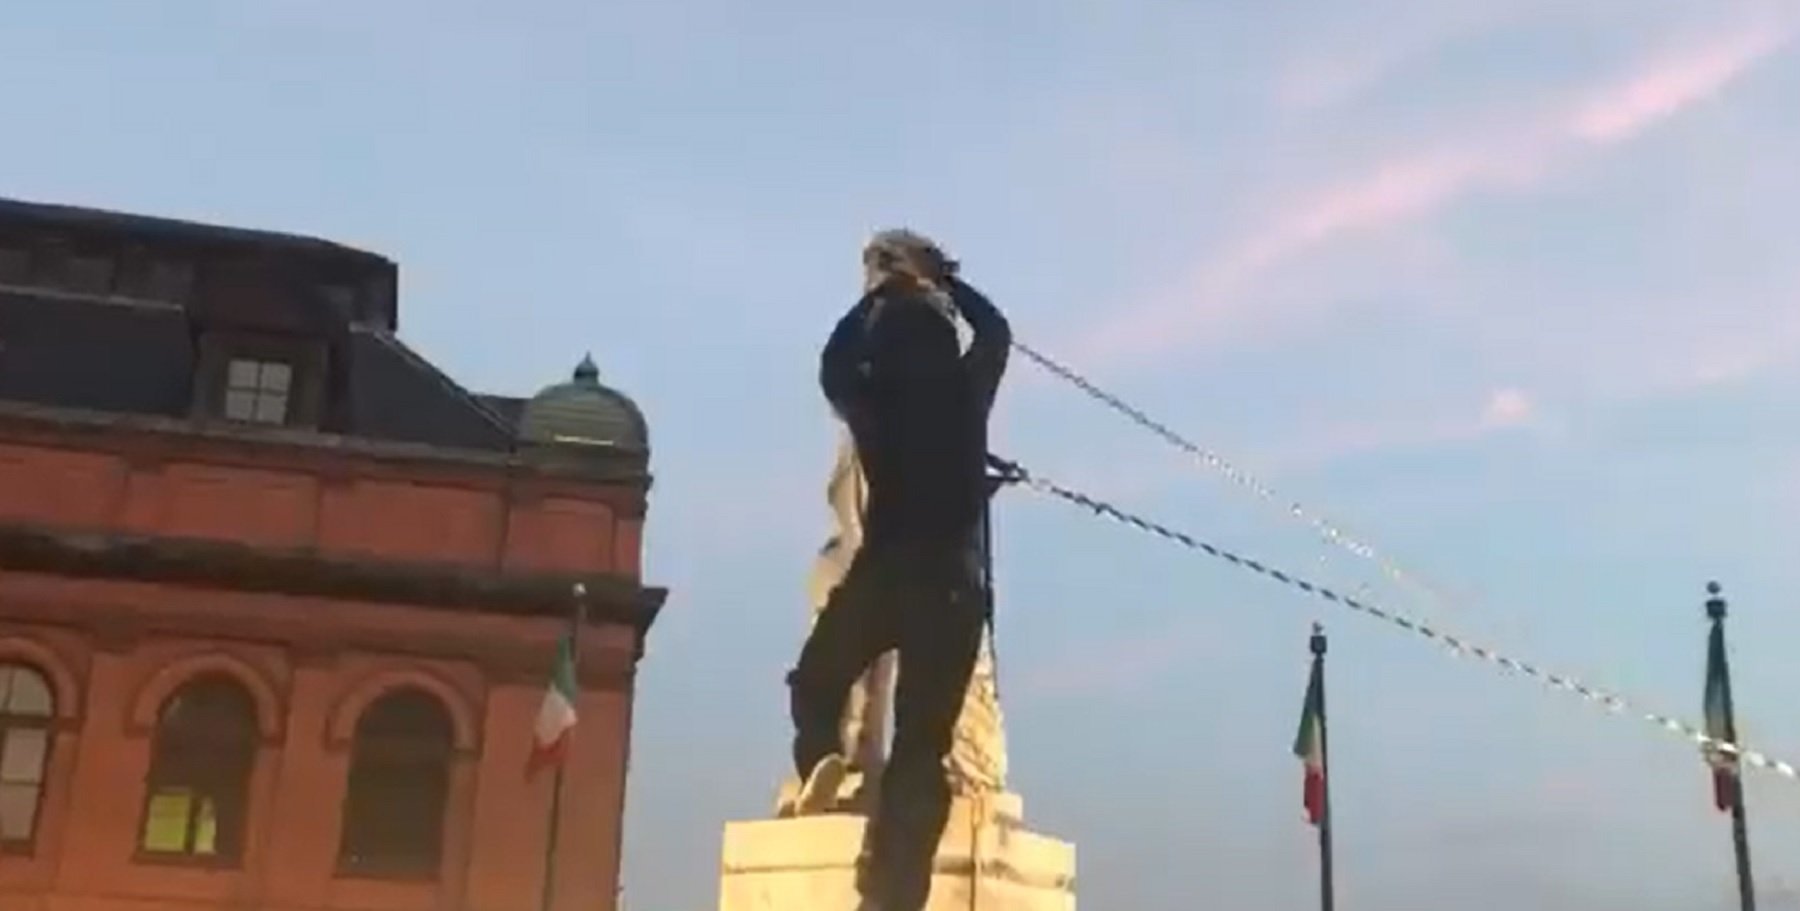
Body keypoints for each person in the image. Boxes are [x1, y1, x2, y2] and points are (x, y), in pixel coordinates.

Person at [786, 229, 1011, 910]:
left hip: (888, 572)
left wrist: (879, 297)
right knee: (921, 749)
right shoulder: (969, 387)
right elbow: (995, 330)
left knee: (819, 677)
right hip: (952, 589)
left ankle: (821, 750)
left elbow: (833, 365)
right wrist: (947, 282)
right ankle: (895, 893)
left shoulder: (874, 401)